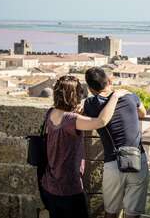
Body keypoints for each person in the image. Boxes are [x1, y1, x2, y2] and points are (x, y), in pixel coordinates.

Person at [40, 75, 129, 218]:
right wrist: (115, 96)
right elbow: (101, 121)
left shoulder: (50, 113)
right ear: (74, 95)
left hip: (49, 185)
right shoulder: (71, 120)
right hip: (68, 188)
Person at [83, 67, 149, 218]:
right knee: (133, 214)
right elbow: (143, 113)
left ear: (91, 89)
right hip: (138, 159)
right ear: (110, 81)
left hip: (113, 163)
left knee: (111, 213)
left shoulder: (90, 105)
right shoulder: (130, 96)